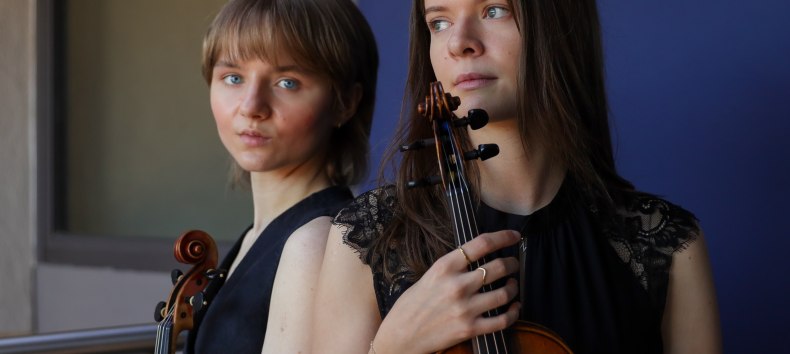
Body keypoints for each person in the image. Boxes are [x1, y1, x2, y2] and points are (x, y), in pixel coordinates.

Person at [312, 0, 721, 353]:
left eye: (494, 10)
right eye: (439, 22)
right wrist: (390, 348)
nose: (458, 43)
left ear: (558, 26)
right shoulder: (369, 237)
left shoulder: (665, 245)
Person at [184, 0, 378, 353]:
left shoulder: (315, 243)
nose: (251, 106)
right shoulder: (257, 237)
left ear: (345, 103)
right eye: (233, 77)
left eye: (288, 82)